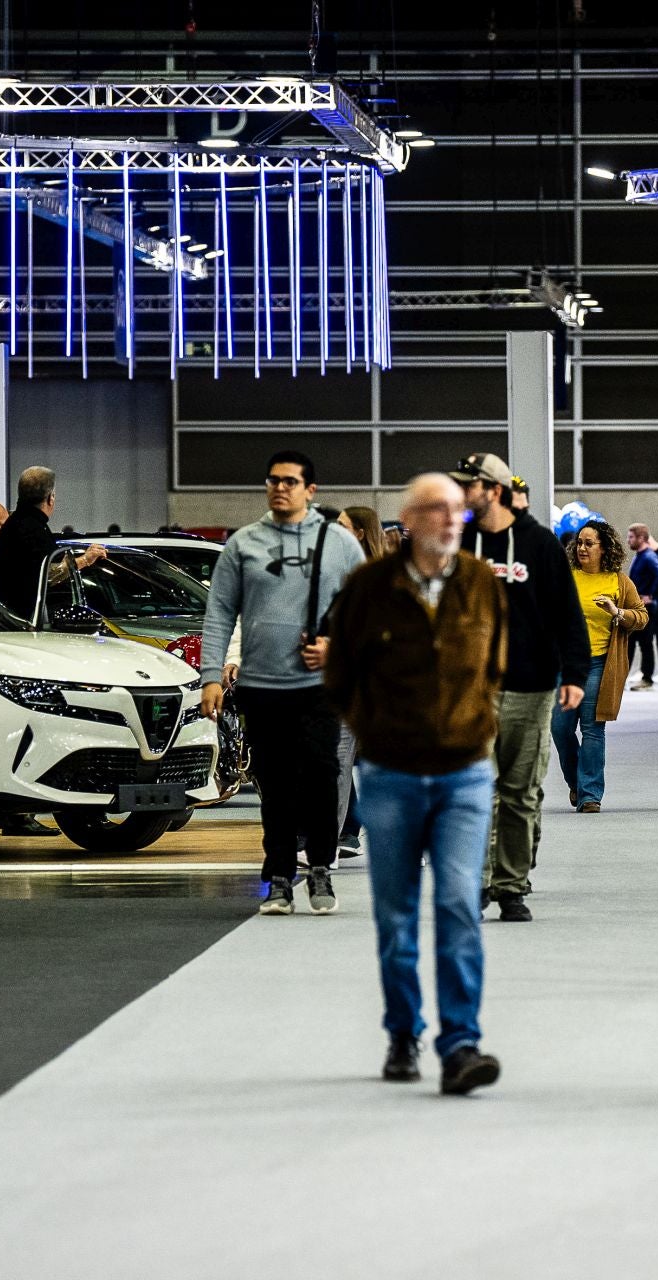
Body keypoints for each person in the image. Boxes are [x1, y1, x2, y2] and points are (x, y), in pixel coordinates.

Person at [325, 472, 507, 1095]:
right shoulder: (369, 588)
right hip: (392, 774)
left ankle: (461, 1043)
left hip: (463, 773)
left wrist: (474, 726)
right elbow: (341, 674)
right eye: (438, 509)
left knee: (458, 902)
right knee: (396, 913)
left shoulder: (483, 585)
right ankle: (403, 1030)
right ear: (410, 518)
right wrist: (377, 734)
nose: (453, 519)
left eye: (460, 509)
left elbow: (495, 666)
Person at [200, 450, 366, 916]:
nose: (280, 488)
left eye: (290, 481)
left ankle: (319, 868)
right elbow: (219, 613)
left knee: (321, 777)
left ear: (309, 490)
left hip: (319, 688)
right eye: (274, 480)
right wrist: (211, 675)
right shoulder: (244, 544)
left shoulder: (339, 544)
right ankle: (277, 876)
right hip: (261, 686)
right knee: (274, 785)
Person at [451, 452, 587, 924]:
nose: (461, 493)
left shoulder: (540, 545)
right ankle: (479, 881)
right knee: (475, 789)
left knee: (520, 790)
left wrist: (573, 676)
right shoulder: (460, 543)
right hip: (472, 688)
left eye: (469, 486)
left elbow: (567, 613)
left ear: (493, 490)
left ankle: (511, 885)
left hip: (531, 687)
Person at [551, 520, 648, 813]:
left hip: (599, 664)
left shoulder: (618, 581)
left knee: (593, 729)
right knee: (560, 728)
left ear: (604, 548)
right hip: (567, 665)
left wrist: (617, 612)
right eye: (579, 542)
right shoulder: (566, 578)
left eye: (588, 543)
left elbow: (642, 617)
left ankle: (590, 794)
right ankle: (576, 782)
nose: (581, 548)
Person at [333, 503, 390, 858]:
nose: (334, 531)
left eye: (342, 525)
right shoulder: (332, 570)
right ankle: (332, 838)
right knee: (337, 763)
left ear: (360, 532)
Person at [0, 466, 107, 622]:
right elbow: (49, 574)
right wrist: (85, 559)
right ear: (50, 498)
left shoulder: (13, 524)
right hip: (28, 622)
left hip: (11, 618)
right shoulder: (34, 530)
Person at [626, 523, 658, 690]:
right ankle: (637, 677)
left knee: (644, 644)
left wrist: (650, 595)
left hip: (645, 609)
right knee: (633, 643)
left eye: (631, 537)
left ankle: (647, 679)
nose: (628, 540)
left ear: (641, 538)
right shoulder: (640, 556)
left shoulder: (648, 557)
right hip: (638, 607)